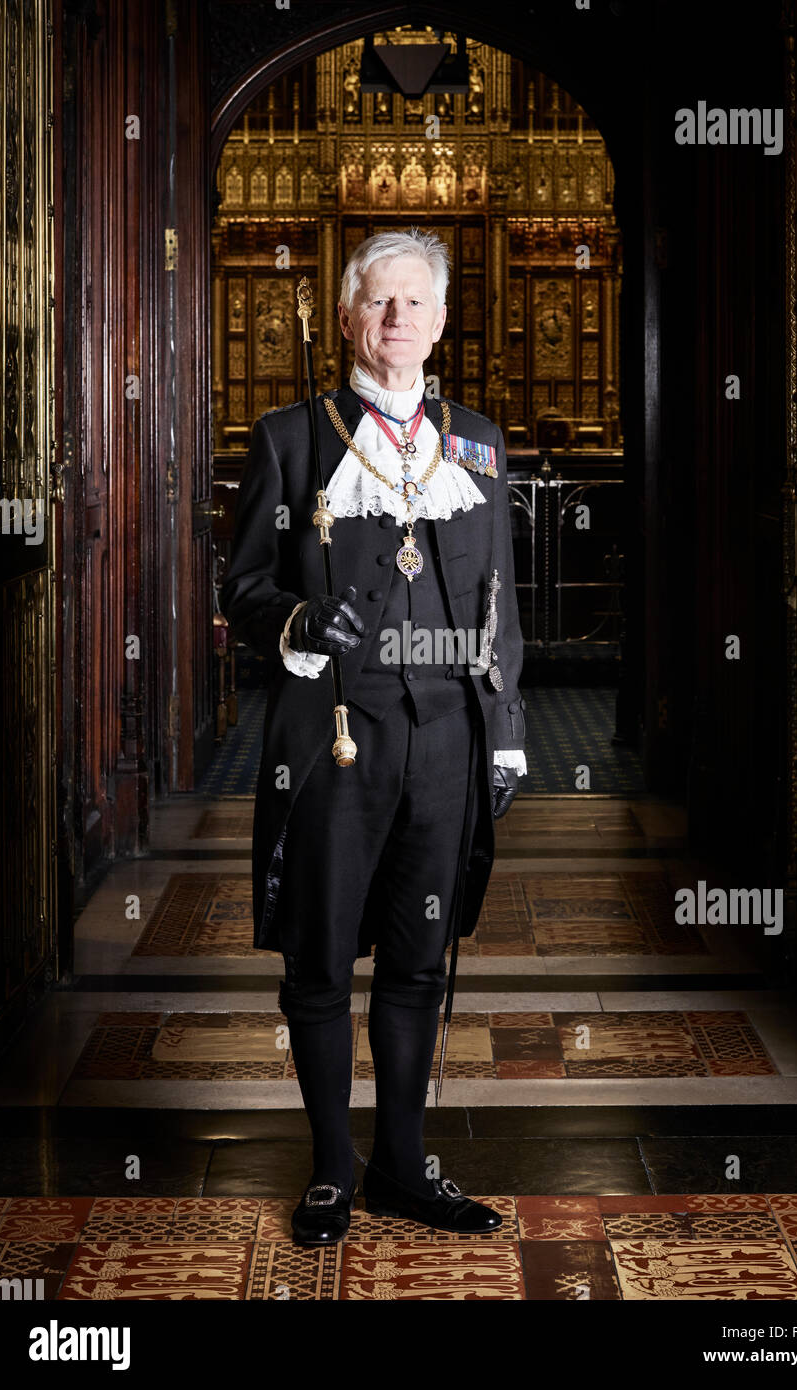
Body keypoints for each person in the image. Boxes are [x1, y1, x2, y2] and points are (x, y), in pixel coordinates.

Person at [221, 228, 527, 1245]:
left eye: (415, 303)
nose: (396, 319)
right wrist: (298, 624)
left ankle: (403, 1167)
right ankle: (330, 1172)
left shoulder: (477, 439)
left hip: (447, 740)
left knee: (417, 961)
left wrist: (509, 730)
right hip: (336, 744)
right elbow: (244, 588)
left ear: (441, 321)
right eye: (377, 302)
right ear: (349, 316)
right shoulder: (290, 438)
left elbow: (498, 602)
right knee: (317, 963)